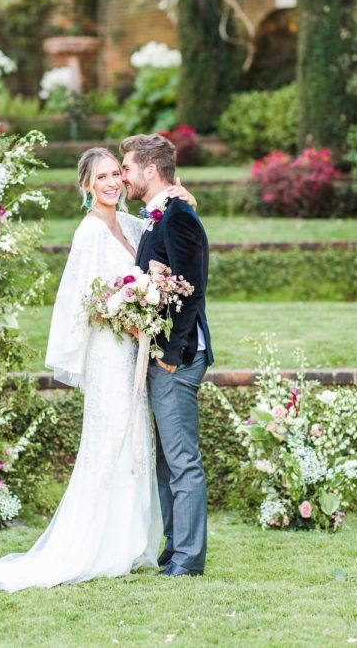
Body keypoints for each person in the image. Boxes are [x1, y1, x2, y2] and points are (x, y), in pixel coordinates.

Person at [0, 146, 197, 591]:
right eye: (102, 177)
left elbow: (163, 234)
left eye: (117, 173)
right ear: (86, 187)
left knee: (134, 445)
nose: (112, 182)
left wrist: (180, 198)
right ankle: (95, 547)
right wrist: (125, 313)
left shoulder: (132, 225)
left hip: (134, 352)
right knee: (108, 443)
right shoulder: (89, 232)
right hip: (109, 355)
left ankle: (126, 544)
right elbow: (81, 302)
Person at [120, 133, 213, 578]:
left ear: (151, 171)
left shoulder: (177, 217)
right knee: (166, 462)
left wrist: (171, 355)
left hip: (176, 357)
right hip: (160, 354)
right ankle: (174, 550)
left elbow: (192, 289)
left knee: (182, 461)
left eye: (128, 168)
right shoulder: (164, 214)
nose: (124, 176)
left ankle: (188, 559)